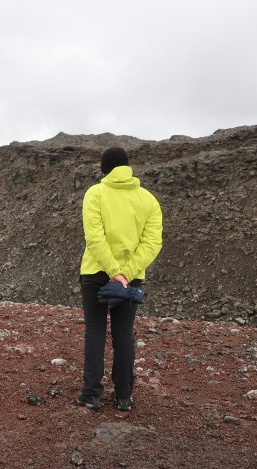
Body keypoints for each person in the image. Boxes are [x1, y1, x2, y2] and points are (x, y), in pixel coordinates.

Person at [76, 147, 163, 412]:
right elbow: (152, 243)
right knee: (124, 332)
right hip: (130, 280)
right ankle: (124, 396)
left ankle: (91, 394)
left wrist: (113, 272)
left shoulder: (95, 193)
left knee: (95, 330)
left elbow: (95, 238)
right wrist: (125, 274)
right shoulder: (149, 200)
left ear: (105, 169)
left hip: (95, 273)